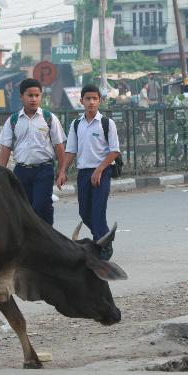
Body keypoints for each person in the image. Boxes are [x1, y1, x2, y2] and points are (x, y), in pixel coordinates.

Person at [57, 84, 120, 260]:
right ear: (81, 101)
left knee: (98, 211)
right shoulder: (77, 124)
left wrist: (99, 170)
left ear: (99, 101)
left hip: (103, 171)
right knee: (85, 213)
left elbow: (114, 151)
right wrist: (62, 171)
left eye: (94, 98)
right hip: (83, 172)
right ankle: (105, 238)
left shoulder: (107, 123)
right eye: (88, 99)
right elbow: (70, 151)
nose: (91, 102)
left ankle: (102, 249)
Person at [0, 78, 66, 226]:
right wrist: (2, 173)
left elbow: (59, 146)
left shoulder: (49, 118)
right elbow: (6, 147)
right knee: (23, 208)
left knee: (42, 206)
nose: (34, 99)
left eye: (37, 95)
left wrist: (62, 171)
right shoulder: (13, 120)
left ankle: (48, 239)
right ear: (21, 97)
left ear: (41, 96)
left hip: (44, 170)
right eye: (30, 95)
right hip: (21, 171)